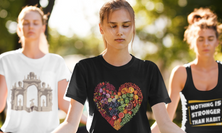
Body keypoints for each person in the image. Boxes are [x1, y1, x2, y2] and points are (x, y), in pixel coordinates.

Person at [52, 0, 185, 133]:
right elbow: (70, 124)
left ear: (133, 28)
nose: (119, 31)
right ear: (101, 28)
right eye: (113, 26)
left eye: (125, 25)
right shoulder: (84, 69)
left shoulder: (149, 70)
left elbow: (165, 123)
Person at [0, 5, 86, 133]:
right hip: (13, 131)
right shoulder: (6, 60)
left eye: (35, 23)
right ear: (19, 28)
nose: (31, 27)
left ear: (43, 28)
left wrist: (92, 120)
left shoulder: (56, 61)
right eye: (26, 23)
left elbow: (65, 104)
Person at [151, 8, 222, 133]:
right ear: (192, 42)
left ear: (218, 41)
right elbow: (166, 119)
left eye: (210, 39)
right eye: (200, 39)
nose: (206, 44)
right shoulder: (181, 73)